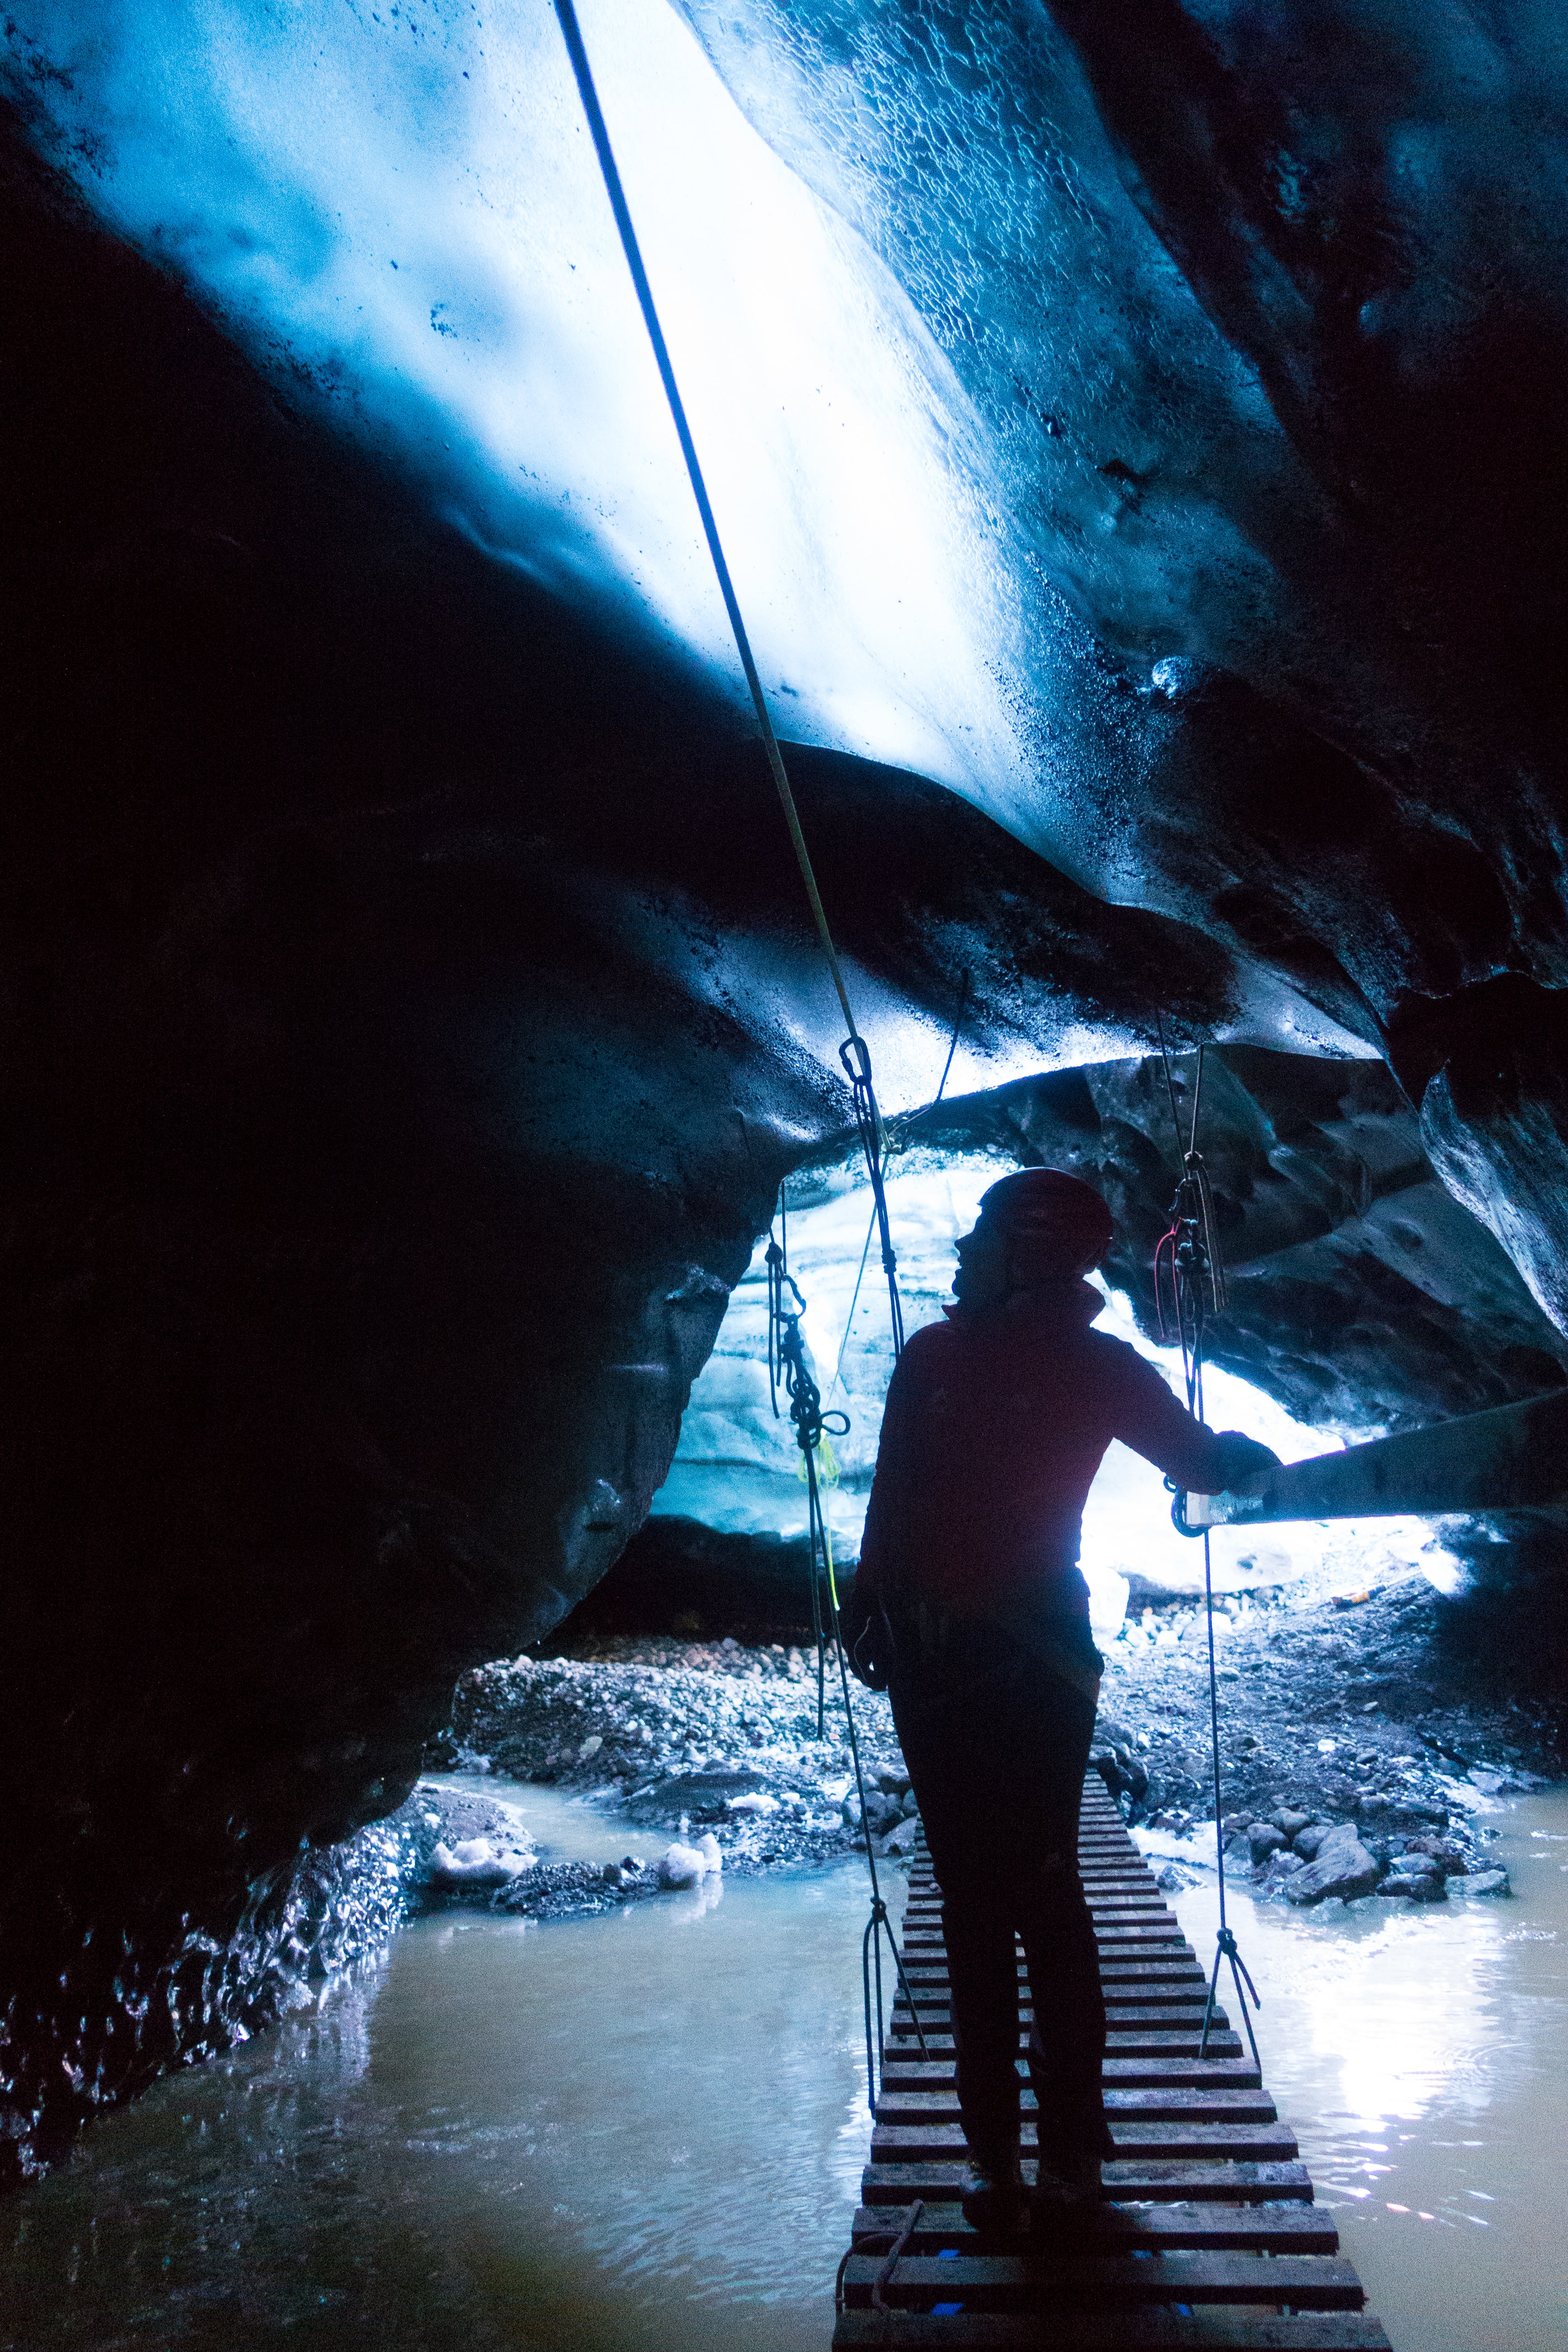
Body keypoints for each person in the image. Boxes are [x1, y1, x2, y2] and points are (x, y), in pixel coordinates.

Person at [841, 1168, 1277, 2234]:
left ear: (1023, 1252)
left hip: (977, 1662)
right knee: (1019, 1892)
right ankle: (1041, 2157)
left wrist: (866, 1620)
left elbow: (892, 1508)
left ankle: (1026, 2159)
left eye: (981, 1235)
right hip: (1008, 1660)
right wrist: (1241, 1464)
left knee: (1002, 1897)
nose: (961, 1252)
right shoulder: (1051, 1364)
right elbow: (1199, 1459)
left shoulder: (971, 1360)